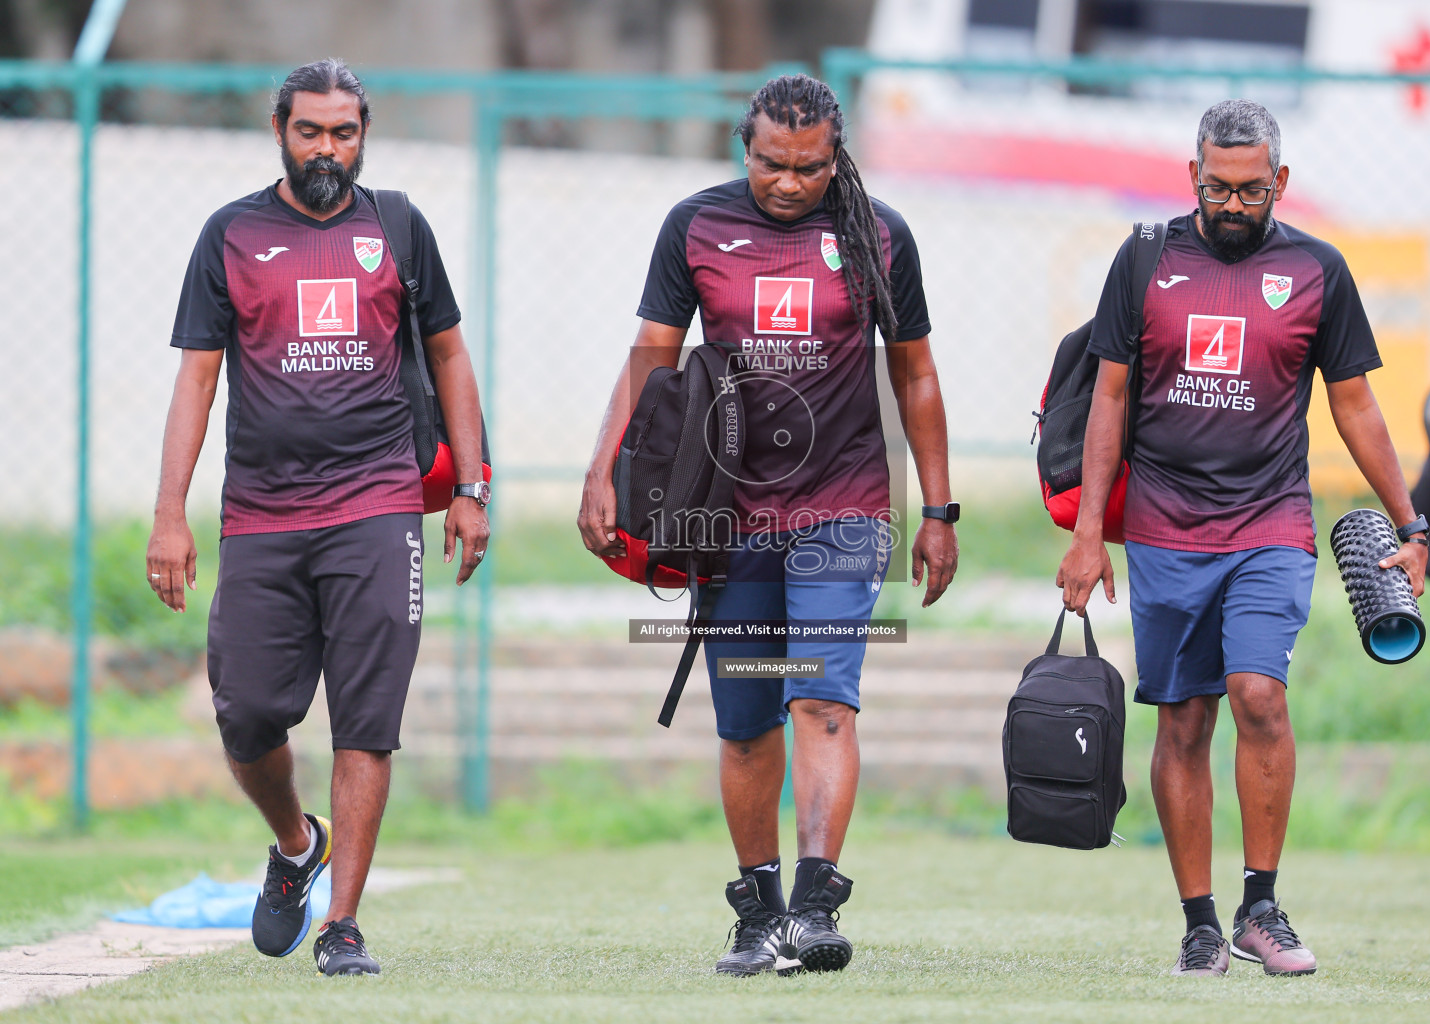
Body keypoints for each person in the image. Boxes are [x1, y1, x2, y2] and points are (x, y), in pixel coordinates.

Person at [577, 73, 957, 976]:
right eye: (771, 165)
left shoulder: (878, 235)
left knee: (821, 697)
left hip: (844, 506)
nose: (788, 184)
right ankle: (759, 909)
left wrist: (939, 509)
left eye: (809, 168)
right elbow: (651, 359)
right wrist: (602, 473)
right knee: (747, 718)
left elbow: (916, 376)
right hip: (728, 514)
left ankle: (818, 905)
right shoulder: (695, 226)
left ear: (837, 157)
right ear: (743, 146)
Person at [1057, 99, 1428, 977]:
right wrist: (1086, 533)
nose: (1232, 203)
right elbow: (1108, 398)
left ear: (1280, 182)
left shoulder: (1317, 269)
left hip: (1272, 524)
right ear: (1193, 176)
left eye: (1250, 189)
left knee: (1259, 694)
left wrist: (1411, 523)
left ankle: (1262, 907)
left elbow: (1354, 404)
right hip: (1161, 528)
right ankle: (1199, 922)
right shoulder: (1144, 259)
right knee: (1183, 720)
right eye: (1217, 187)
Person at [145, 58, 490, 978]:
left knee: (366, 721)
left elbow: (451, 356)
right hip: (260, 512)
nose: (327, 149)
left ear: (363, 132)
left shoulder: (400, 228)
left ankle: (342, 927)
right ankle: (299, 843)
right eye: (310, 132)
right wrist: (169, 514)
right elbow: (197, 378)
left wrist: (473, 486)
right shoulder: (231, 233)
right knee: (248, 718)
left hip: (378, 505)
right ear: (279, 132)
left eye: (344, 132)